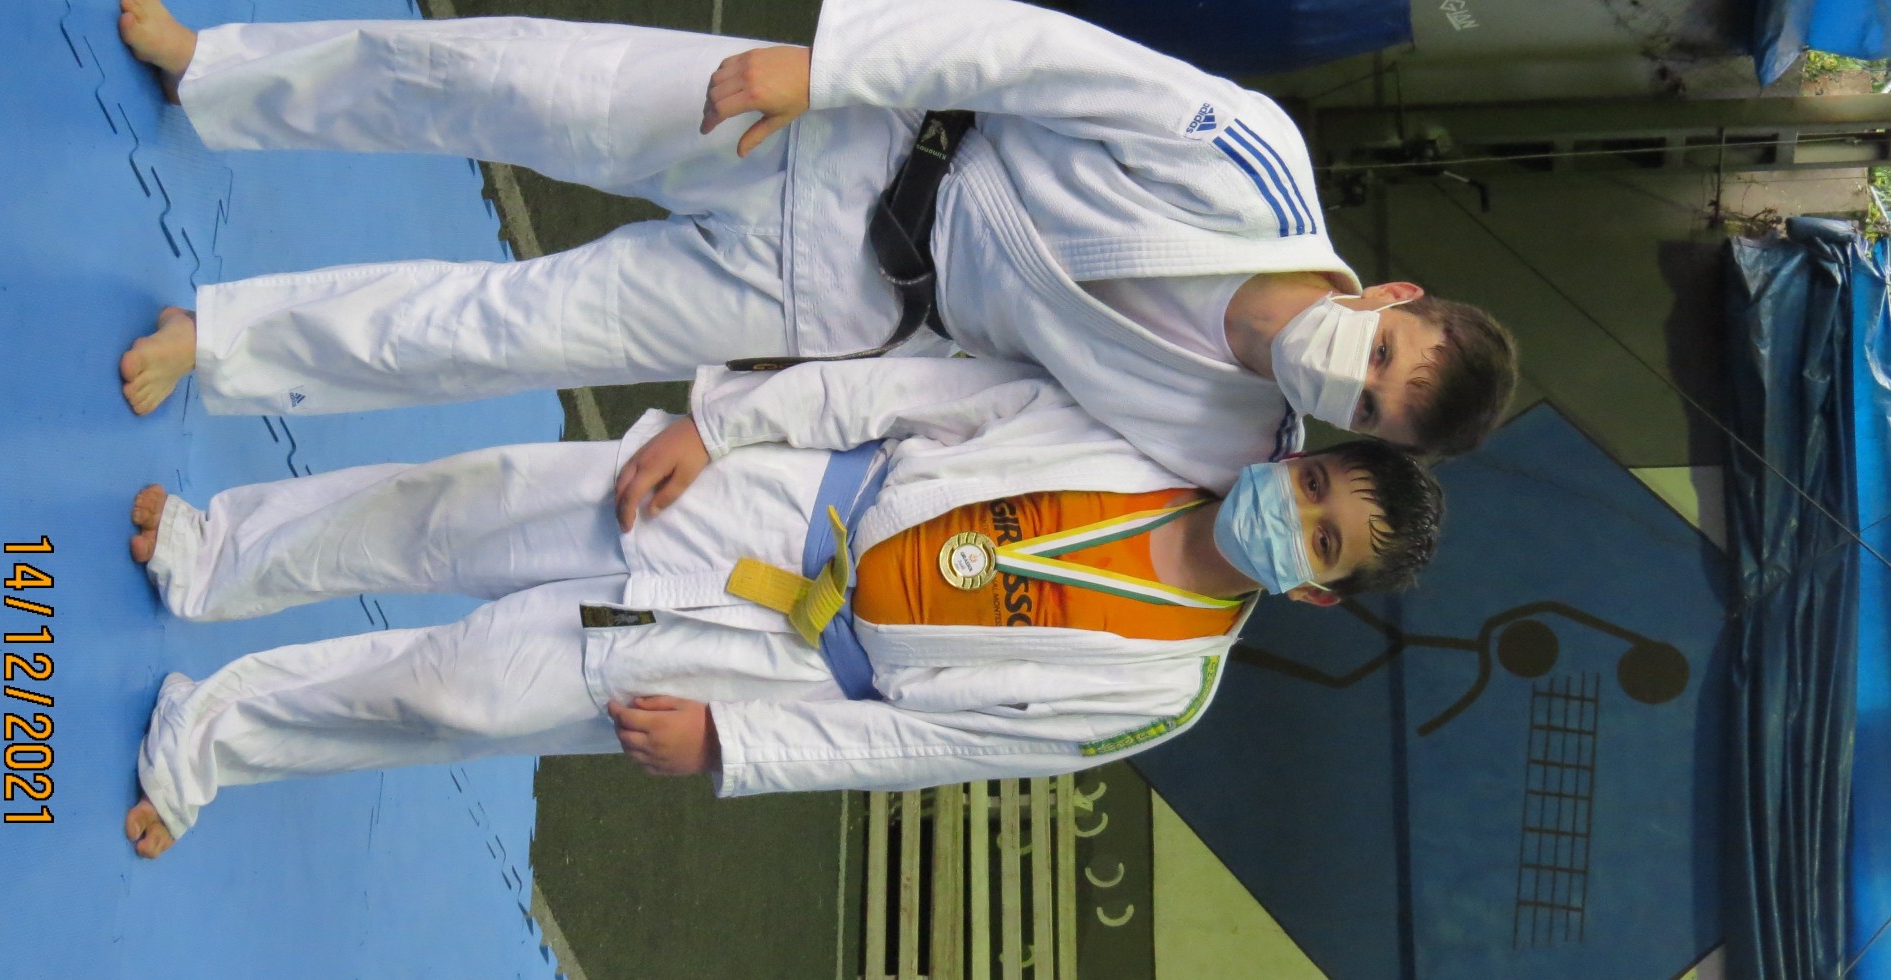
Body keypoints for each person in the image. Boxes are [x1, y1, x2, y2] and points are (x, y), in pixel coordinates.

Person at [113, 0, 1516, 490]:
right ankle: (217, 70)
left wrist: (739, 425)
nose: (1350, 376)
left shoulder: (1224, 441)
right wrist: (830, 67)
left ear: (1360, 437)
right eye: (1385, 353)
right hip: (857, 133)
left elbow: (985, 412)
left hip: (847, 303)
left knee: (510, 333)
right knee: (505, 77)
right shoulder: (1252, 165)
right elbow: (1037, 55)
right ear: (1393, 294)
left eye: (1370, 409)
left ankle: (220, 343)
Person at [122, 357, 1444, 857]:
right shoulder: (1148, 438)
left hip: (777, 662)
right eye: (1310, 482)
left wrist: (736, 747)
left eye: (1318, 538)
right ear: (1297, 457)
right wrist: (722, 424)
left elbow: (936, 745)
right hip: (768, 499)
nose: (1292, 511)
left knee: (459, 694)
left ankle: (209, 741)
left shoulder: (1163, 688)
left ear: (1316, 591)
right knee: (458, 507)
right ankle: (214, 550)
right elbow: (913, 389)